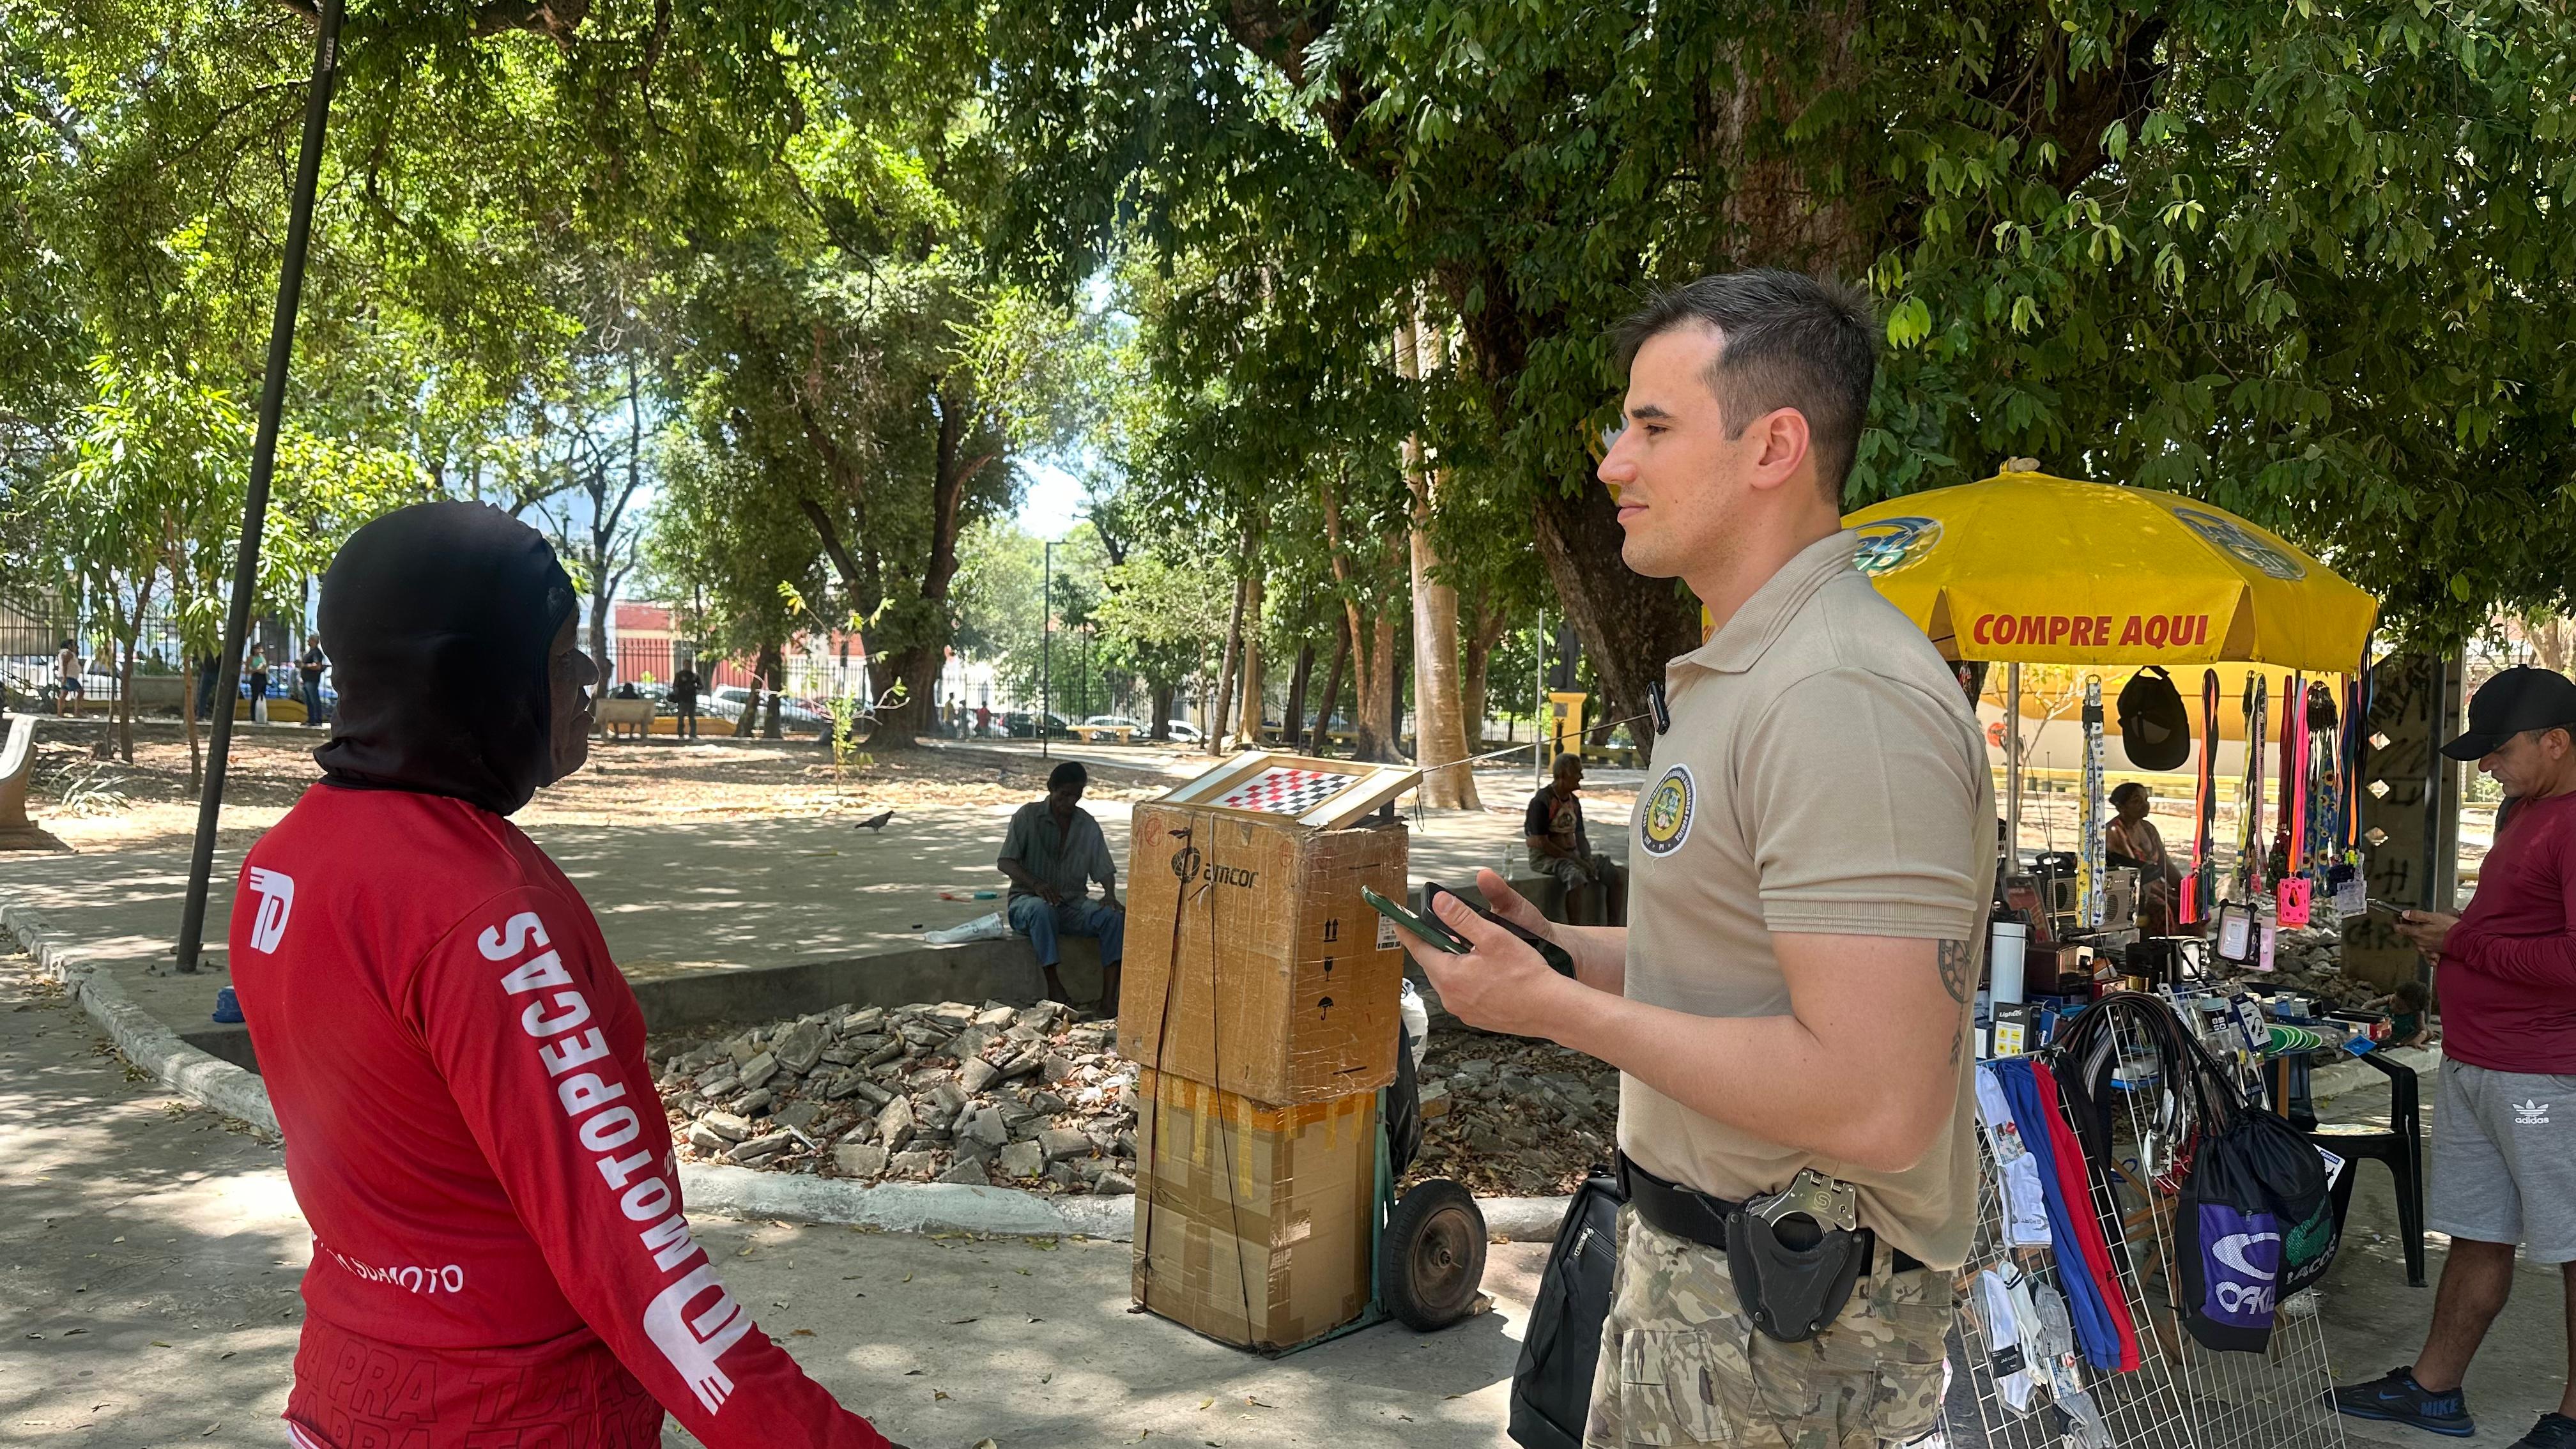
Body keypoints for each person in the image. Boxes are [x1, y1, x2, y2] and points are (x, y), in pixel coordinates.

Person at [1392, 271, 1989, 1448]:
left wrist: (1556, 1008)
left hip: (1790, 1324)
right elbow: (1741, 958)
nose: (1613, 463)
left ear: (1773, 447)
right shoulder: (1748, 673)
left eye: (1651, 427)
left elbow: (1876, 1099)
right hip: (1702, 1286)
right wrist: (1556, 949)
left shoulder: (1841, 695)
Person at [227, 503, 903, 1449]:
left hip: (347, 1394)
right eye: (559, 662)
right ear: (472, 684)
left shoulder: (283, 865)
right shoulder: (482, 915)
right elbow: (639, 1274)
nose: (591, 683)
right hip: (512, 1415)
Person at [2333, 664, 2576, 1449]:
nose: (2486, 767)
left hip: (2548, 1070)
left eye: (2498, 751)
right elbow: (2520, 933)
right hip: (2481, 1062)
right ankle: (2435, 1390)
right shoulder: (2525, 810)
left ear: (2557, 741)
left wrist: (2465, 943)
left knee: (2574, 1246)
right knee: (2478, 1233)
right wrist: (2459, 947)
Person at [997, 760, 1126, 1013]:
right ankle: (1054, 986)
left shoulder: (1086, 824)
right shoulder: (1027, 816)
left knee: (1114, 917)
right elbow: (1005, 862)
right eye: (1063, 795)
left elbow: (1104, 868)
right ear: (1051, 789)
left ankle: (1109, 999)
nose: (1068, 802)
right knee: (1041, 909)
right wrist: (1036, 884)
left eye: (1074, 797)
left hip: (1072, 905)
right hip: (1027, 904)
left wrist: (1110, 895)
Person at [1524, 751, 1623, 926]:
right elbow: (1541, 843)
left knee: (1612, 873)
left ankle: (1614, 926)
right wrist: (1576, 860)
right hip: (1547, 858)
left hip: (1574, 855)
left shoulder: (1574, 802)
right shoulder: (1542, 801)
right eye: (1577, 772)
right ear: (1563, 773)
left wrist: (1586, 858)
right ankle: (1574, 930)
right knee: (1576, 877)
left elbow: (1580, 836)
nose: (1581, 776)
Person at [2104, 781, 2182, 935]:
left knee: (2192, 907)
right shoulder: (2114, 831)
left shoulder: (2149, 828)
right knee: (2162, 910)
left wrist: (2183, 889)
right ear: (2121, 807)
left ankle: (2191, 950)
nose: (2145, 805)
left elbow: (2165, 863)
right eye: (2137, 801)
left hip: (2157, 887)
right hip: (2133, 891)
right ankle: (2164, 953)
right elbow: (2136, 874)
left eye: (2146, 800)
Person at [298, 640, 328, 725]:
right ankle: (311, 719)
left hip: (312, 680)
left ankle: (318, 719)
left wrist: (305, 666)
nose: (307, 641)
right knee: (309, 701)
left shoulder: (316, 653)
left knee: (314, 700)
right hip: (307, 680)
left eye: (310, 639)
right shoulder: (311, 652)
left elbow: (317, 666)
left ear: (314, 641)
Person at [671, 663, 701, 740]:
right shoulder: (680, 675)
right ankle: (681, 734)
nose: (688, 667)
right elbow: (675, 685)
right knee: (681, 717)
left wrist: (695, 687)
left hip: (692, 699)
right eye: (686, 665)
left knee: (692, 718)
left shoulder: (694, 676)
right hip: (683, 699)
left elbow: (701, 686)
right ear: (684, 665)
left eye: (689, 665)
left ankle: (693, 734)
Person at [54, 638, 80, 716]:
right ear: (69, 646)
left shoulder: (64, 652)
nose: (76, 647)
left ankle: (60, 712)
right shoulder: (68, 653)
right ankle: (77, 713)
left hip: (67, 676)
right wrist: (65, 677)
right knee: (81, 692)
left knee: (64, 693)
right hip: (69, 677)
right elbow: (65, 664)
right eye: (74, 645)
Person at [247, 643, 271, 724]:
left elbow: (266, 667)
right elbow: (248, 671)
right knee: (255, 697)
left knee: (262, 697)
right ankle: (253, 717)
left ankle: (263, 716)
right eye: (257, 649)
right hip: (256, 678)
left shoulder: (262, 657)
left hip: (263, 677)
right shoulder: (251, 658)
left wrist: (265, 668)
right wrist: (257, 669)